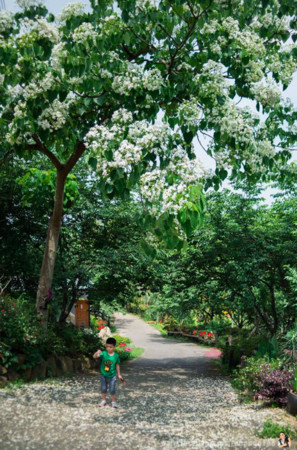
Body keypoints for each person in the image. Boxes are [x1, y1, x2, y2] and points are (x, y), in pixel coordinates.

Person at [93, 337, 123, 408]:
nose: (108, 348)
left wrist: (119, 374)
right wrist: (97, 353)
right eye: (107, 346)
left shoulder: (116, 356)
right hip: (103, 375)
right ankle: (103, 400)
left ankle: (113, 401)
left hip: (112, 376)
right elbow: (94, 356)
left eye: (110, 347)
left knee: (112, 389)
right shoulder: (103, 353)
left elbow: (117, 365)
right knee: (103, 388)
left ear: (114, 347)